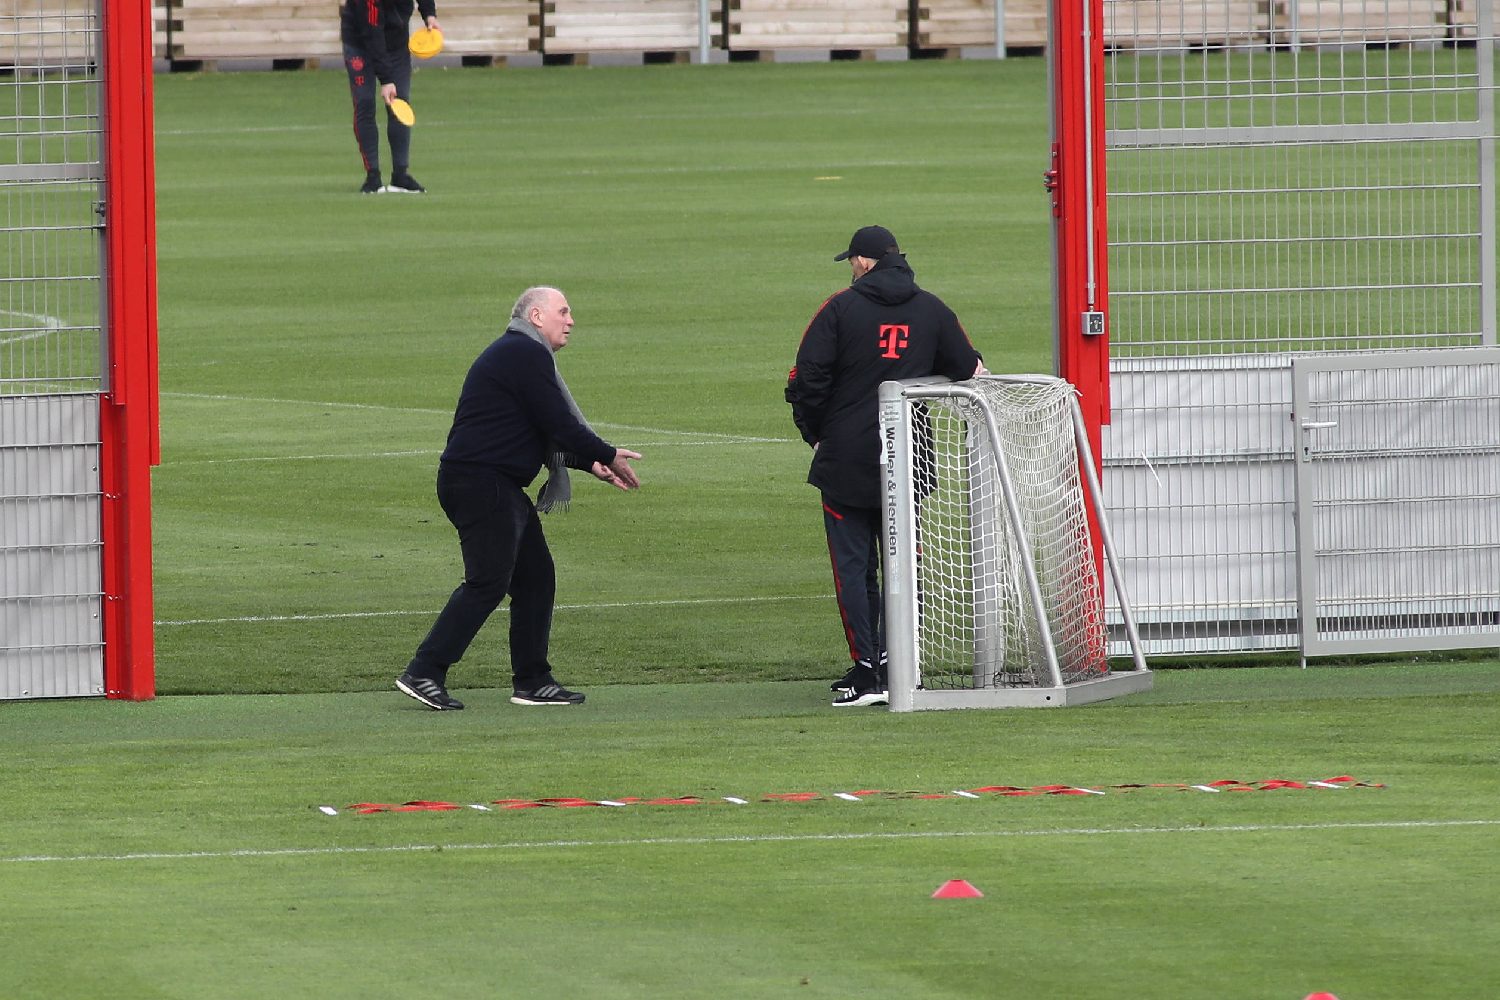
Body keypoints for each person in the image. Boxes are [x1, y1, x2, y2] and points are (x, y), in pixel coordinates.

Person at [397, 286, 642, 710]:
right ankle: (424, 670)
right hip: (481, 482)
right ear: (535, 317)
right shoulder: (522, 354)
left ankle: (532, 679)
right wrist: (606, 454)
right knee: (488, 581)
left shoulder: (521, 355)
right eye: (562, 312)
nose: (571, 320)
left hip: (491, 483)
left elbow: (534, 431)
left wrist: (590, 465)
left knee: (535, 578)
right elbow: (559, 423)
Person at [785, 226, 986, 707]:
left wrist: (815, 434)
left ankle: (868, 670)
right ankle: (900, 665)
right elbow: (972, 369)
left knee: (854, 569)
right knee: (904, 564)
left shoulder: (839, 308)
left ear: (865, 261)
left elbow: (805, 378)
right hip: (910, 457)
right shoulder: (932, 308)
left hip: (847, 457)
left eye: (852, 260)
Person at [339, 0, 441, 194]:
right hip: (361, 41)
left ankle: (400, 176)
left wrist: (429, 15)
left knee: (400, 102)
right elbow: (372, 32)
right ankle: (373, 177)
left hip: (396, 42)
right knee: (365, 103)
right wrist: (386, 80)